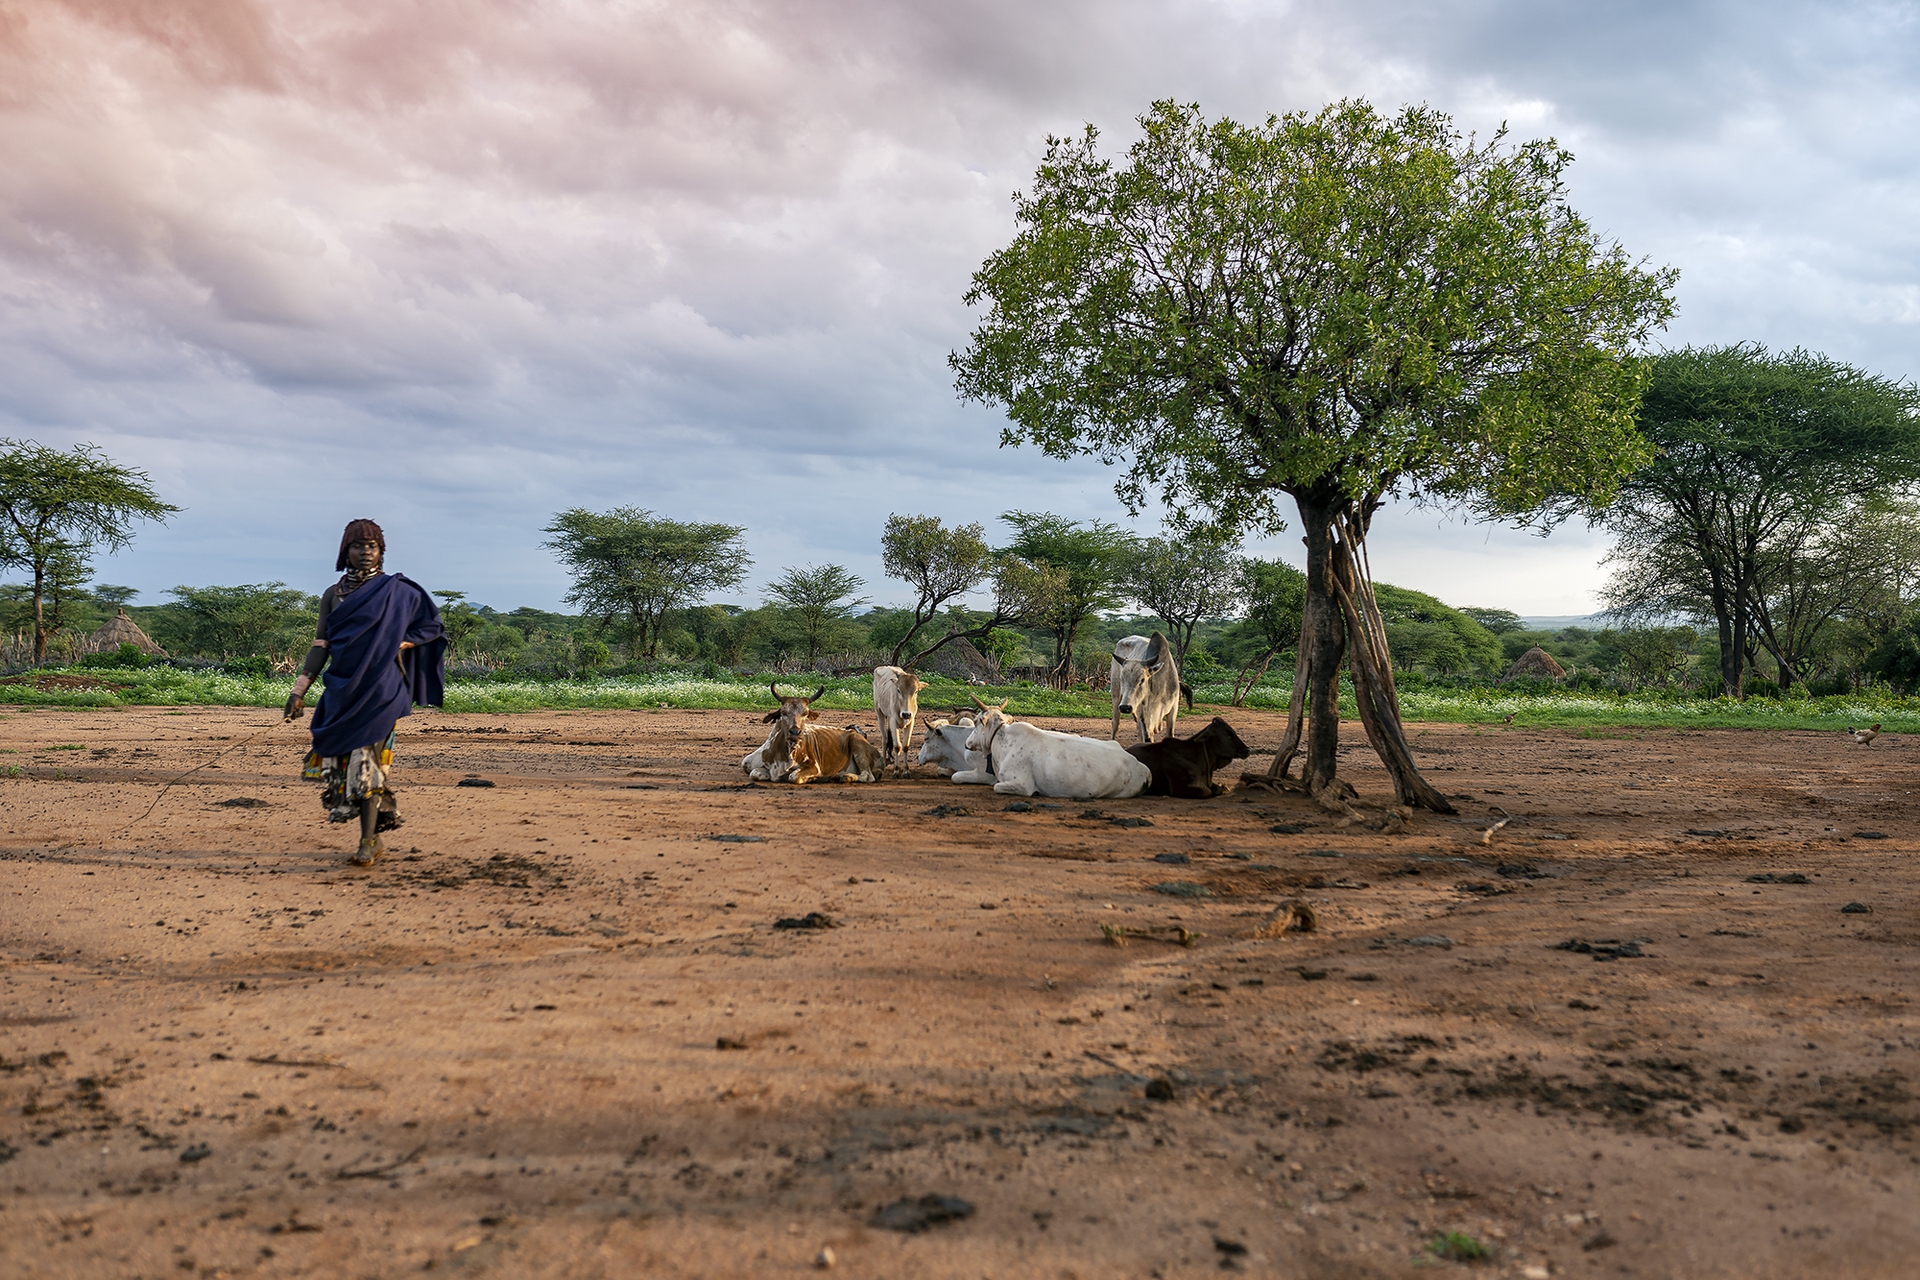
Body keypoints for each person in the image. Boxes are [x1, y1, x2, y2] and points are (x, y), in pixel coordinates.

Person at [283, 519, 446, 866]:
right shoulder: (333, 595)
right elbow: (321, 645)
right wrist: (299, 691)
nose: (365, 551)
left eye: (372, 546)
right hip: (341, 690)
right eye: (358, 546)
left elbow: (431, 626)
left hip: (382, 690)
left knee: (366, 762)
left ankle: (367, 842)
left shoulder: (398, 591)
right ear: (346, 551)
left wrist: (400, 642)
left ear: (381, 551)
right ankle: (376, 830)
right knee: (346, 764)